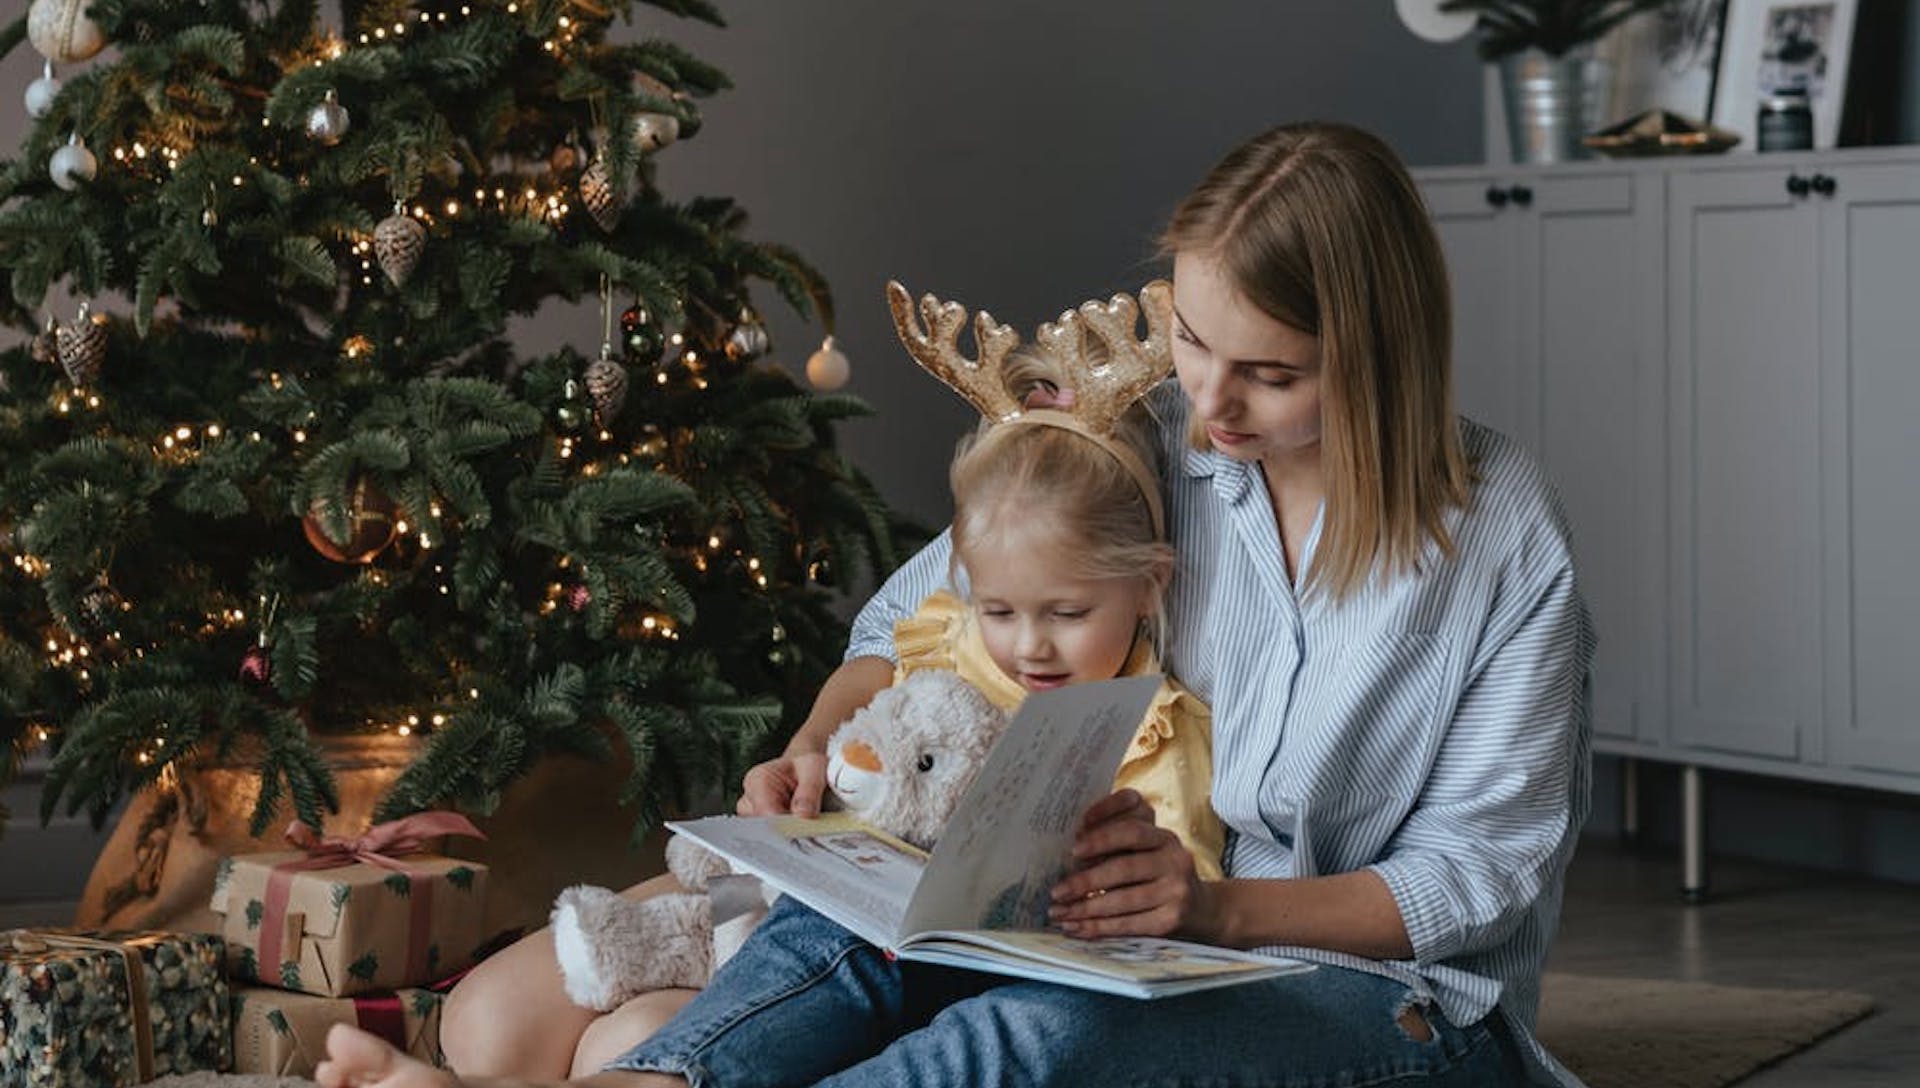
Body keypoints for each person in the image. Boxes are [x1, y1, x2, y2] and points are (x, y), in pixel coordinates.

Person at [320, 120, 1592, 1088]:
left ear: (1379, 356)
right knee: (852, 934)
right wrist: (822, 744)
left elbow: (1472, 877)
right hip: (1118, 936)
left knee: (1035, 1037)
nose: (1210, 405)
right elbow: (905, 625)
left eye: (1268, 374)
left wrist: (1210, 908)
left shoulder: (1498, 534)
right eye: (1194, 342)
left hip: (1392, 1003)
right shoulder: (1148, 449)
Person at [422, 301, 1221, 1081]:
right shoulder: (952, 627)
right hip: (806, 884)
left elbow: (1174, 899)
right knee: (482, 1027)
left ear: (1148, 587)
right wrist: (809, 754)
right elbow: (875, 667)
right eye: (1000, 609)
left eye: (1069, 614)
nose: (1028, 645)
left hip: (905, 962)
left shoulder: (1151, 727)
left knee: (622, 1043)